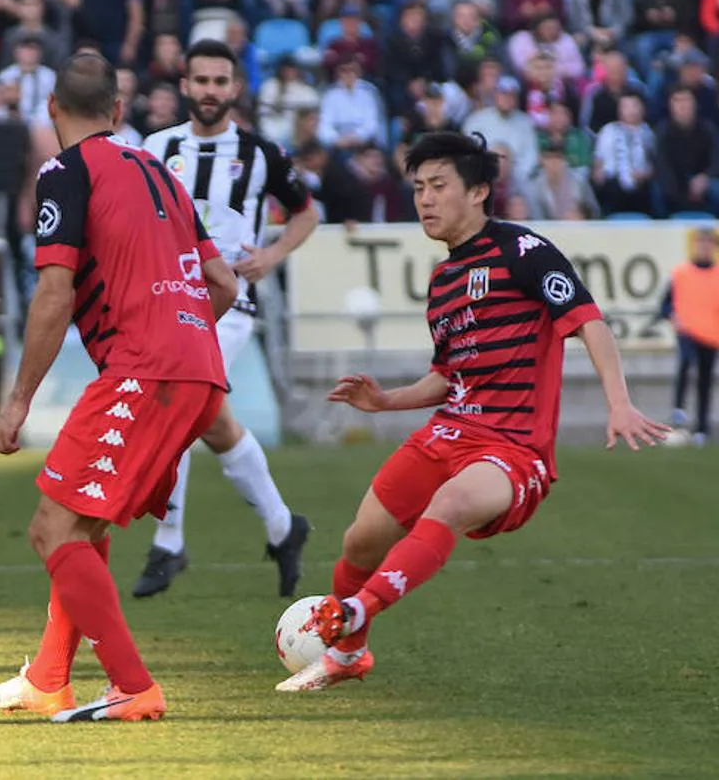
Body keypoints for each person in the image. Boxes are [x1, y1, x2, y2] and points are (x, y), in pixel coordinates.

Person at [276, 131, 668, 692]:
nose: (425, 200)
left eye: (439, 186)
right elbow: (448, 374)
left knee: (452, 503)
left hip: (513, 448)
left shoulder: (523, 251)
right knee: (361, 541)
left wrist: (619, 402)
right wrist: (386, 401)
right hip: (448, 432)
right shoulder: (442, 280)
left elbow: (588, 321)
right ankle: (347, 657)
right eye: (417, 189)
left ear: (480, 191)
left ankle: (355, 614)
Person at [0, 53, 239, 722]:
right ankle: (48, 678)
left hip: (146, 369)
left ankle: (133, 686)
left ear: (53, 110)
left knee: (52, 527)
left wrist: (19, 400)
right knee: (83, 522)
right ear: (118, 113)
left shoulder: (64, 172)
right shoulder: (160, 170)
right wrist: (182, 336)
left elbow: (54, 294)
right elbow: (225, 285)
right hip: (200, 367)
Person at [134, 39, 318, 599]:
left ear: (235, 89)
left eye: (221, 82)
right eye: (201, 81)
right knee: (211, 422)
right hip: (168, 305)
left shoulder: (261, 154)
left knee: (176, 403)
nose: (211, 91)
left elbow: (306, 214)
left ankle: (169, 543)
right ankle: (284, 529)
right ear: (184, 86)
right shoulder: (155, 147)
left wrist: (272, 254)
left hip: (230, 305)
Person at [661, 228, 719, 444]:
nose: (705, 248)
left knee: (705, 380)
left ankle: (702, 427)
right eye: (701, 243)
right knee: (686, 363)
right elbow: (664, 304)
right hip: (688, 329)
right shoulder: (681, 273)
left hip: (712, 333)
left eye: (709, 244)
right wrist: (672, 316)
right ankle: (678, 412)